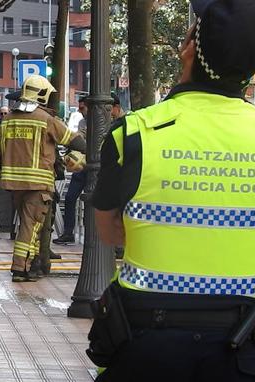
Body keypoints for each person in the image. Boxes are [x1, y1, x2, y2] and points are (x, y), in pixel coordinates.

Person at [88, 1, 255, 380]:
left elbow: (109, 231)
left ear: (189, 47)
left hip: (147, 343)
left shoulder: (134, 134)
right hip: (243, 348)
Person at [0, 75, 85, 282]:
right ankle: (19, 268)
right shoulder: (45, 120)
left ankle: (30, 266)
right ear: (42, 95)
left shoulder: (7, 120)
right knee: (31, 225)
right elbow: (73, 140)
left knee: (30, 225)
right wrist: (92, 149)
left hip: (14, 182)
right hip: (38, 183)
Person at [53, 96, 88, 245]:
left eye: (82, 108)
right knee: (69, 198)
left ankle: (95, 234)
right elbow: (77, 139)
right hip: (82, 168)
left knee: (94, 201)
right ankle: (68, 232)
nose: (80, 111)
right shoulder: (82, 122)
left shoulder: (102, 121)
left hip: (96, 168)